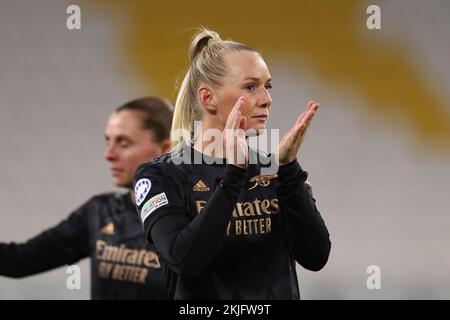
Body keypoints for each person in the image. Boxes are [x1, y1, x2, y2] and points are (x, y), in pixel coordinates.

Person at [134, 29, 331, 300]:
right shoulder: (160, 175)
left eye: (267, 86)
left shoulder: (276, 172)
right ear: (207, 98)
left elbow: (315, 256)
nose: (266, 99)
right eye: (251, 87)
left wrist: (289, 168)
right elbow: (185, 260)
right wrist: (234, 174)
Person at [0, 97, 173, 299]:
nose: (108, 154)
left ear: (164, 150)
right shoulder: (99, 213)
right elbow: (19, 261)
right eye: (108, 141)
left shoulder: (196, 218)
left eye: (123, 143)